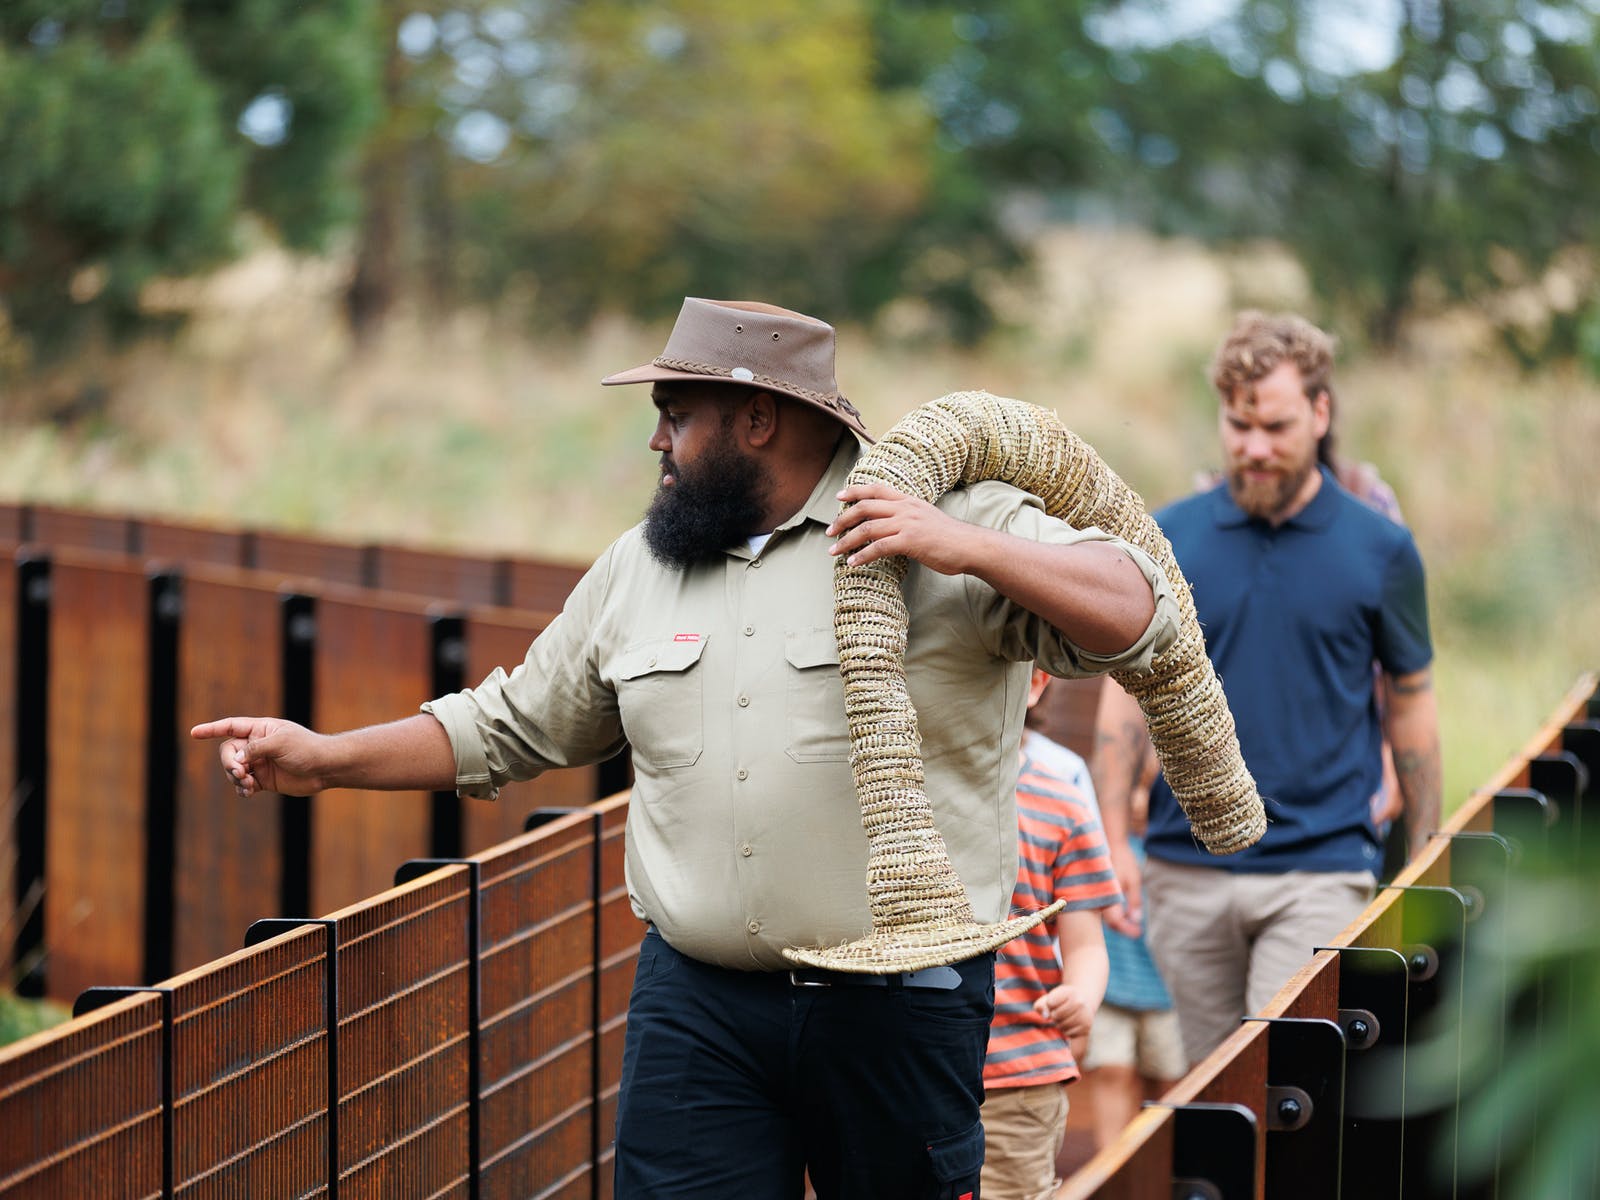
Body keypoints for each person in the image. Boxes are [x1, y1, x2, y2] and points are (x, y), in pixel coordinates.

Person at [194, 297, 1181, 1199]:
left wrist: (969, 547)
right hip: (698, 1006)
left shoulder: (938, 521)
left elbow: (1137, 608)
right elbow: (510, 723)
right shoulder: (641, 564)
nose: (657, 438)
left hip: (895, 1009)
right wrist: (322, 759)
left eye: (676, 411)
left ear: (758, 419)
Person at [1093, 309, 1441, 1068]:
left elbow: (1410, 700)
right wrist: (1114, 835)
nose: (1253, 448)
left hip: (1319, 870)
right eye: (1237, 425)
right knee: (1214, 1102)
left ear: (1321, 412)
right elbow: (1126, 691)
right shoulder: (1165, 539)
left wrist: (1422, 850)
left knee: (1284, 1081)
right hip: (1184, 873)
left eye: (1275, 426)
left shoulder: (1381, 551)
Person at [981, 669, 1117, 1200]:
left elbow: (1086, 945)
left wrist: (1080, 996)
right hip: (901, 1071)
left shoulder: (1063, 806)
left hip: (1019, 1078)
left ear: (1035, 681)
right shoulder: (895, 793)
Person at [1078, 736, 1185, 1151]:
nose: (1138, 804)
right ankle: (1114, 1171)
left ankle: (1161, 1172)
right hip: (1114, 985)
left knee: (1171, 1081)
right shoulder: (1098, 844)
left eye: (1149, 790)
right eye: (1131, 791)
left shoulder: (1176, 851)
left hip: (1167, 992)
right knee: (1111, 1073)